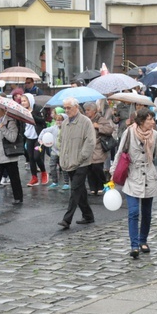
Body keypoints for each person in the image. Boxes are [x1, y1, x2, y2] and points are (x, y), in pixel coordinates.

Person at [110, 108, 157, 258]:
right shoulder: (129, 132)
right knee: (133, 212)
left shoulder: (154, 135)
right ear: (141, 121)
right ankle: (134, 245)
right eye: (150, 119)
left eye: (153, 119)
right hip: (133, 175)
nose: (153, 122)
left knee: (146, 213)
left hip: (149, 176)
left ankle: (143, 240)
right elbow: (120, 152)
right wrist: (113, 172)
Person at [58, 98, 96, 229]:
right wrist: (62, 156)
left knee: (74, 189)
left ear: (76, 107)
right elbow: (61, 140)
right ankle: (88, 215)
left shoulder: (85, 122)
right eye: (65, 108)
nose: (66, 110)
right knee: (80, 191)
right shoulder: (65, 123)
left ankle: (67, 219)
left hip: (81, 163)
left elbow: (90, 142)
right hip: (68, 162)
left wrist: (81, 157)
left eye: (69, 108)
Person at [84, 102, 115, 195]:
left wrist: (98, 126)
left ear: (94, 111)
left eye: (88, 110)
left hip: (98, 148)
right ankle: (93, 188)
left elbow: (109, 130)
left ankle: (101, 185)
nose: (86, 112)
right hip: (87, 147)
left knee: (97, 167)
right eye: (86, 110)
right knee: (89, 168)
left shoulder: (100, 119)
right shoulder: (85, 120)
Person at [20, 94, 47, 186]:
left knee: (36, 156)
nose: (23, 103)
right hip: (29, 137)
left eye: (25, 101)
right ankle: (34, 178)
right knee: (31, 158)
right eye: (22, 101)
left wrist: (31, 115)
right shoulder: (22, 110)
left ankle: (43, 172)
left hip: (39, 138)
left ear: (30, 101)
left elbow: (42, 120)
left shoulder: (38, 108)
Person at [40, 112, 69, 190]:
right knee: (52, 166)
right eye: (57, 120)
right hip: (54, 151)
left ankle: (67, 183)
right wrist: (40, 139)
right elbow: (44, 131)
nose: (58, 122)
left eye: (61, 120)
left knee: (64, 167)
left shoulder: (67, 129)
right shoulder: (53, 128)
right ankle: (54, 182)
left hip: (64, 152)